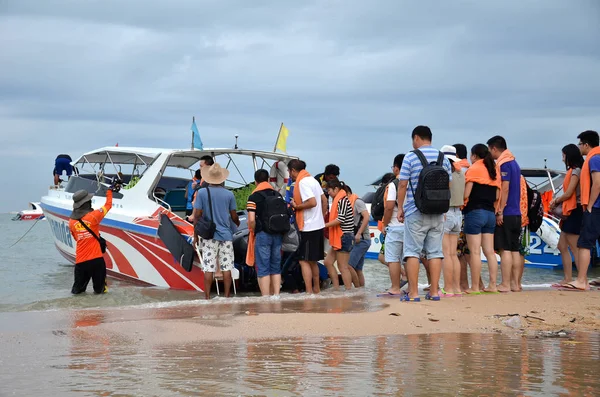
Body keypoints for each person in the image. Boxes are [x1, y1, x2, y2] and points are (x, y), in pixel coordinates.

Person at [397, 126, 452, 301]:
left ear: (416, 138)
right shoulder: (443, 158)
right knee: (435, 252)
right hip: (438, 212)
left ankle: (413, 293)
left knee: (412, 252)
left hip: (416, 211)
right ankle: (434, 292)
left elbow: (403, 184)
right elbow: (448, 186)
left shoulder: (410, 157)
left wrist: (400, 208)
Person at [191, 163, 240, 299]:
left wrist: (195, 236)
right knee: (227, 267)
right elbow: (234, 215)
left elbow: (197, 216)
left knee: (208, 267)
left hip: (209, 236)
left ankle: (207, 297)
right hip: (226, 236)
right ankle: (227, 296)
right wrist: (236, 223)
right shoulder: (229, 194)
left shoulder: (201, 193)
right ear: (222, 179)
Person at [69, 180, 122, 294]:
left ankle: (77, 311)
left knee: (77, 292)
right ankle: (99, 310)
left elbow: (76, 238)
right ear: (87, 203)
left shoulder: (71, 222)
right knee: (100, 291)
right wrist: (109, 191)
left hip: (81, 262)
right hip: (97, 261)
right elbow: (108, 205)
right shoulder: (94, 216)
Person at [463, 144, 502, 294]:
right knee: (489, 252)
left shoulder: (474, 169)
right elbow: (498, 196)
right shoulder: (494, 170)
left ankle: (475, 287)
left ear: (474, 156)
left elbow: (466, 194)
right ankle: (492, 285)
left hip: (475, 212)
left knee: (474, 252)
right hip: (490, 214)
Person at [487, 135, 522, 293]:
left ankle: (506, 284)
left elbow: (505, 188)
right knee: (515, 250)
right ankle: (515, 284)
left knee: (504, 250)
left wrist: (500, 210)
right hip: (517, 212)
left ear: (494, 148)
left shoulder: (505, 164)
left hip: (507, 212)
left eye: (490, 150)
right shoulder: (514, 162)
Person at [288, 159, 327, 294]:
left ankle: (309, 291)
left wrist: (297, 206)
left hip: (308, 227)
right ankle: (316, 289)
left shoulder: (303, 182)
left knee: (303, 261)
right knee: (313, 261)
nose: (290, 175)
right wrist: (320, 217)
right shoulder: (313, 180)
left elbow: (313, 202)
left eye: (289, 172)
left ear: (293, 170)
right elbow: (324, 200)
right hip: (317, 226)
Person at [569, 130, 600, 290]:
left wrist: (589, 205)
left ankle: (581, 280)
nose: (579, 147)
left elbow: (597, 183)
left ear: (587, 145)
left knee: (585, 244)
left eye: (580, 144)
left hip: (595, 207)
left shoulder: (594, 158)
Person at [246, 169, 285, 297]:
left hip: (263, 234)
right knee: (275, 266)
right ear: (268, 179)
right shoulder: (277, 194)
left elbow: (251, 219)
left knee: (263, 267)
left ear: (256, 181)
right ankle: (276, 296)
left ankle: (266, 298)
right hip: (278, 234)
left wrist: (253, 230)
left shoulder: (254, 197)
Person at [550, 145, 584, 286]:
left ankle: (581, 279)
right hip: (572, 211)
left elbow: (569, 193)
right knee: (562, 245)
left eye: (563, 155)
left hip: (575, 210)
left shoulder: (576, 171)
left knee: (574, 246)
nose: (562, 158)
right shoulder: (574, 170)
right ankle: (568, 278)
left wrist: (556, 200)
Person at [440, 145, 465, 297]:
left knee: (446, 254)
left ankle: (447, 288)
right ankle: (456, 288)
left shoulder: (445, 173)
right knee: (454, 254)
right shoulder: (461, 173)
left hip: (446, 212)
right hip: (458, 213)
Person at [381, 154, 407, 296]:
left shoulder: (394, 185)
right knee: (408, 258)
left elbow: (389, 207)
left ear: (396, 168)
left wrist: (385, 224)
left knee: (392, 259)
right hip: (410, 225)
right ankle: (411, 288)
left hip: (395, 225)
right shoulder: (414, 183)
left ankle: (395, 288)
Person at [324, 179, 355, 290]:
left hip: (344, 236)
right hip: (341, 236)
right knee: (328, 262)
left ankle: (348, 290)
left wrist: (325, 225)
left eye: (329, 191)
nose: (329, 193)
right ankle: (336, 288)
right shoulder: (341, 199)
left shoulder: (342, 200)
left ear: (336, 189)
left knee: (343, 267)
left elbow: (340, 219)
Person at [347, 185, 371, 287]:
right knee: (358, 269)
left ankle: (356, 290)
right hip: (360, 240)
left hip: (361, 240)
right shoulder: (350, 203)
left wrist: (359, 233)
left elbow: (366, 217)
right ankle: (361, 291)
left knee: (348, 265)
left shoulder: (357, 202)